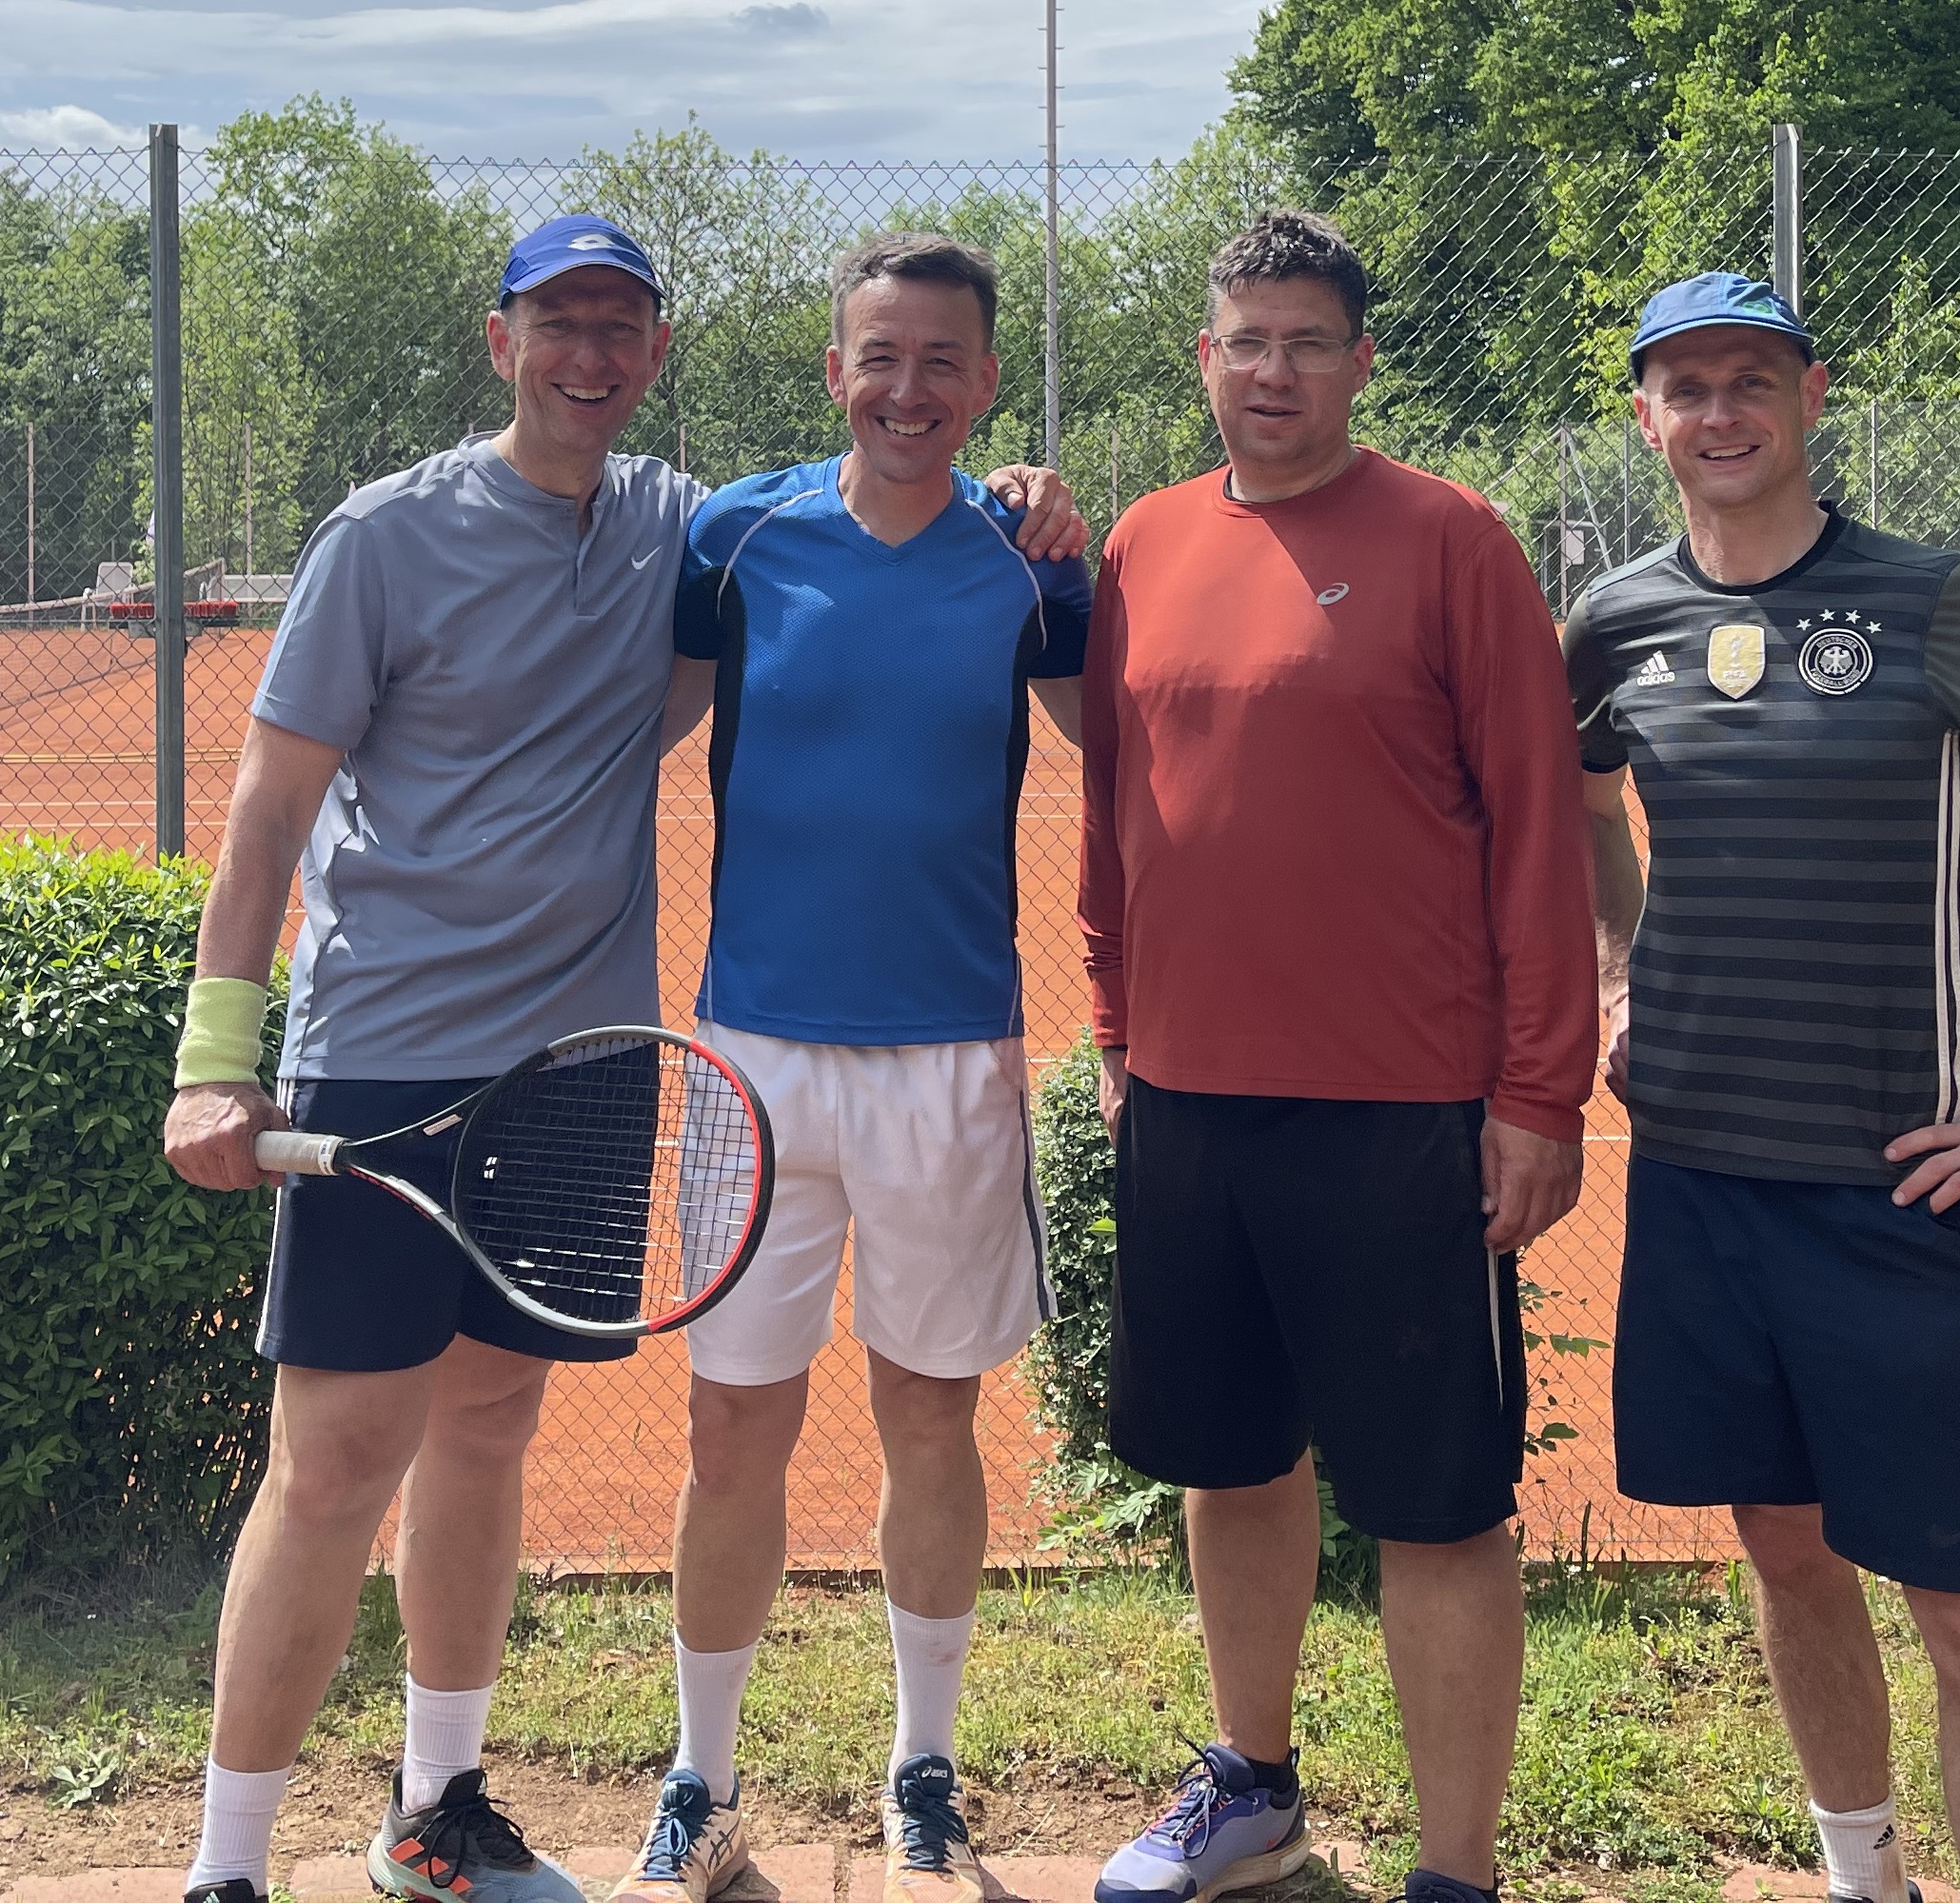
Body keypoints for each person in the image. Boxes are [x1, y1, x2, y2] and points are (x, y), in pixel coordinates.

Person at [162, 214, 1080, 1903]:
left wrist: (1029, 500)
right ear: (500, 340)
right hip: (388, 1052)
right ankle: (227, 1866)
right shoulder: (401, 534)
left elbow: (954, 570)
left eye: (619, 328)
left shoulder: (684, 525)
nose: (587, 356)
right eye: (557, 323)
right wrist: (215, 1059)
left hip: (580, 1063)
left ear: (656, 353)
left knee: (488, 1425)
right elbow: (266, 806)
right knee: (335, 1464)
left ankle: (437, 1810)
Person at [1567, 272, 1960, 1903]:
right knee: (1783, 1548)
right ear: (1643, 415)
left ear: (1811, 395)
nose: (1720, 411)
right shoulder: (1614, 621)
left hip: (1896, 1194)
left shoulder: (1927, 603)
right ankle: (1864, 1877)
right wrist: (1619, 970)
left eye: (1750, 379)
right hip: (1698, 1183)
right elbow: (1580, 802)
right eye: (1686, 385)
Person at [1077, 208, 1597, 1903]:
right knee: (1230, 1464)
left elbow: (1537, 835)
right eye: (1247, 340)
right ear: (1203, 358)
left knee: (1435, 1506)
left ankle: (1455, 1870)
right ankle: (1252, 1787)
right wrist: (1114, 1027)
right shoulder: (1145, 542)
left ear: (1361, 360)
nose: (1275, 371)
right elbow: (1113, 813)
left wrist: (1538, 1092)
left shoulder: (1452, 541)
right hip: (1187, 1098)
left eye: (1308, 341)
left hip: (1400, 1110)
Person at [603, 231, 1091, 1903]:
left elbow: (1126, 739)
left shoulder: (1028, 560)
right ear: (834, 373)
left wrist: (1078, 536)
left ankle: (922, 1772)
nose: (908, 388)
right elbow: (632, 721)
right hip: (750, 1054)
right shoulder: (735, 536)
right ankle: (700, 1779)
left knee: (928, 1419)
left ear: (985, 383)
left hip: (948, 1056)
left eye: (942, 360)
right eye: (879, 356)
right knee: (730, 1428)